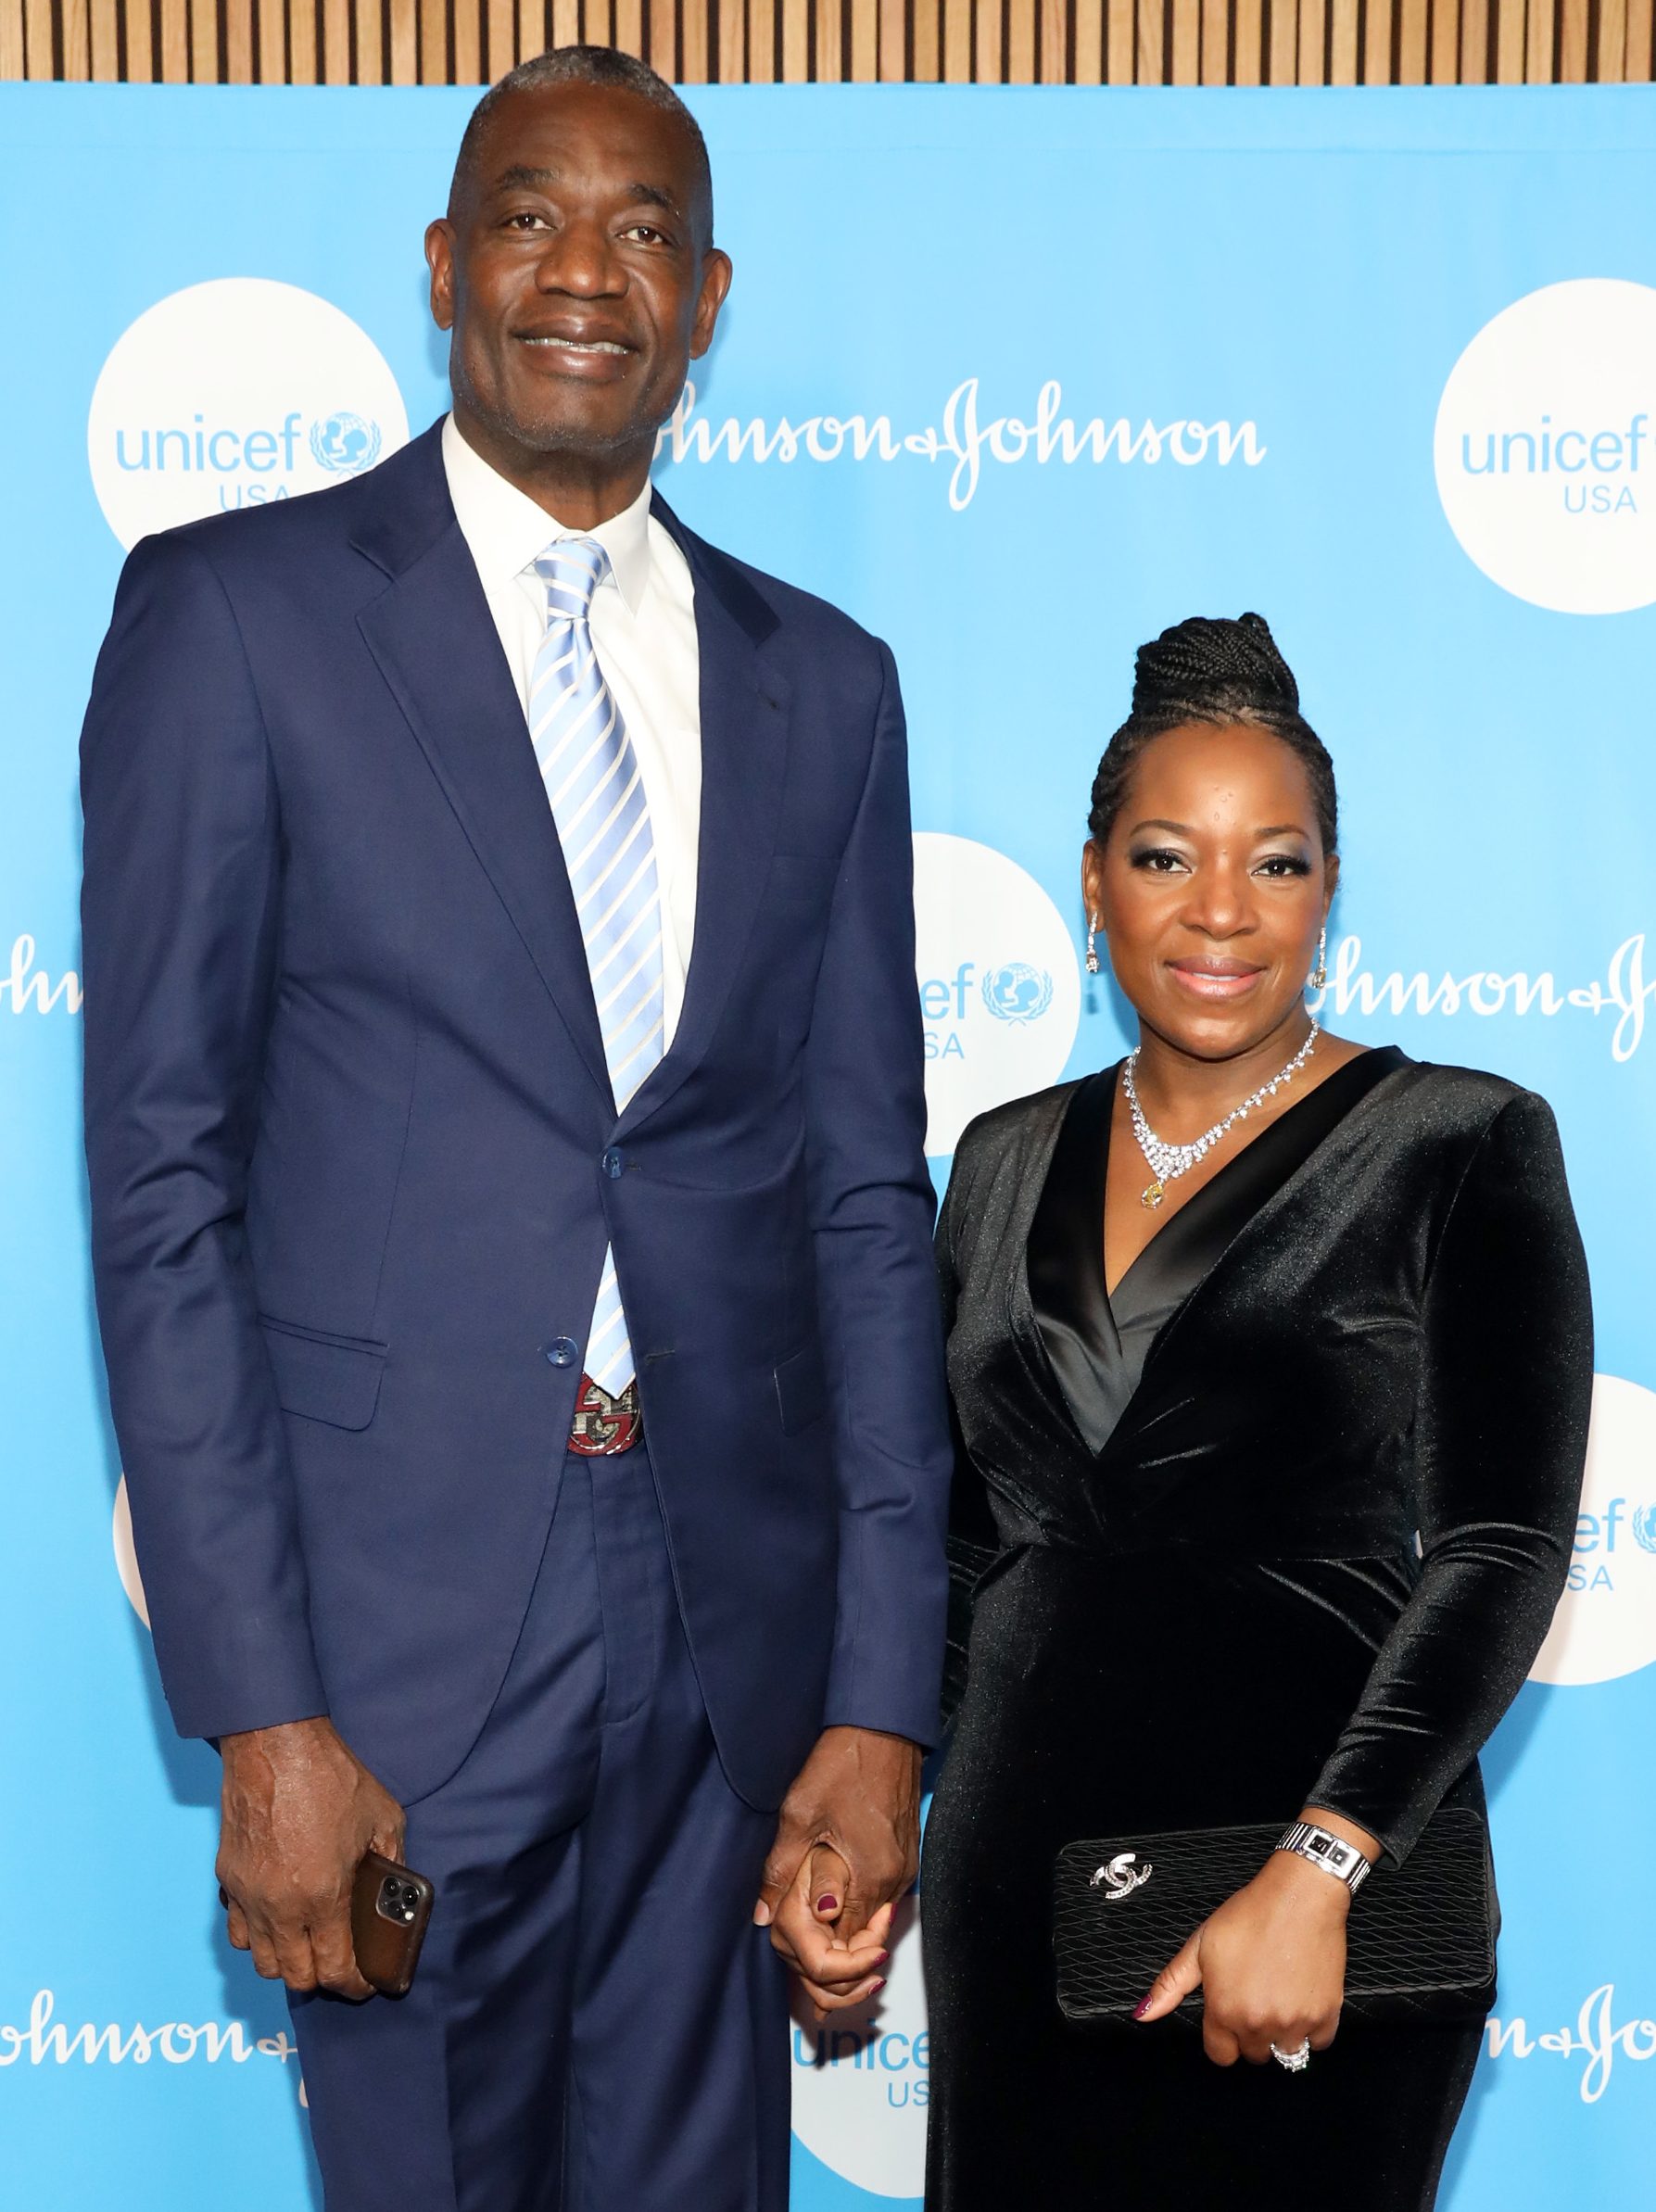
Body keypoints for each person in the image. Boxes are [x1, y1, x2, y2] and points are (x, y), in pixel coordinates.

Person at [80, 46, 952, 2212]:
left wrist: (880, 1698)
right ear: (445, 265)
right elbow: (163, 1188)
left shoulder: (823, 680)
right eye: (535, 214)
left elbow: (861, 1200)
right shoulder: (240, 616)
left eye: (645, 227)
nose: (588, 269)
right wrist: (261, 1714)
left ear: (711, 295)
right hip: (388, 1648)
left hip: (723, 1647)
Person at [922, 613, 1591, 2209]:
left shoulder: (1463, 1142)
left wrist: (1324, 1864)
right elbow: (954, 1550)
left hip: (1319, 1913)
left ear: (1329, 890)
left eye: (1275, 864)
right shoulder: (997, 1158)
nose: (1221, 912)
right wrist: (867, 1800)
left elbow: (1500, 1545)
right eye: (1166, 857)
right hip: (1020, 1890)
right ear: (1093, 883)